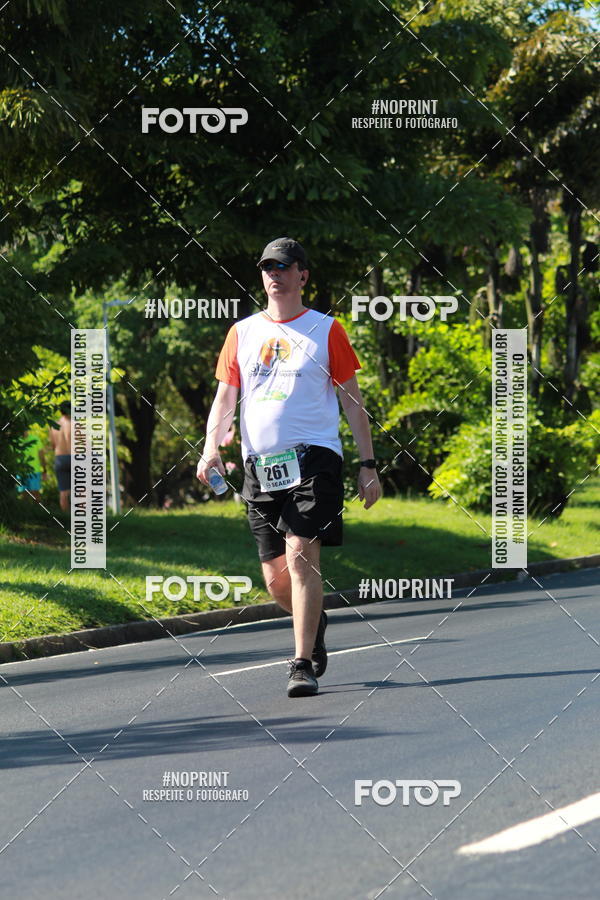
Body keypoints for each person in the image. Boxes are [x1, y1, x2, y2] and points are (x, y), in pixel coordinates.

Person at [197, 238, 381, 697]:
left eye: (283, 266)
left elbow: (351, 399)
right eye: (267, 267)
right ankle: (314, 623)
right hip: (261, 465)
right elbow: (226, 397)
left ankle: (301, 665)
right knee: (277, 580)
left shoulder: (326, 329)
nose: (274, 274)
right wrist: (210, 448)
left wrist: (368, 464)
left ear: (302, 275)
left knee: (302, 552)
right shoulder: (242, 333)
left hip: (315, 458)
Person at [48, 400, 72, 511]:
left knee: (63, 491)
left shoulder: (54, 425)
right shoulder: (75, 424)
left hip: (60, 458)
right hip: (75, 457)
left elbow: (52, 445)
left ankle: (66, 517)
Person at [16, 431, 44, 501]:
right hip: (21, 472)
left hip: (34, 471)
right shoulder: (15, 441)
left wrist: (44, 469)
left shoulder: (35, 439)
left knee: (35, 494)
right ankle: (25, 511)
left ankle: (37, 511)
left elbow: (41, 456)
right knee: (24, 494)